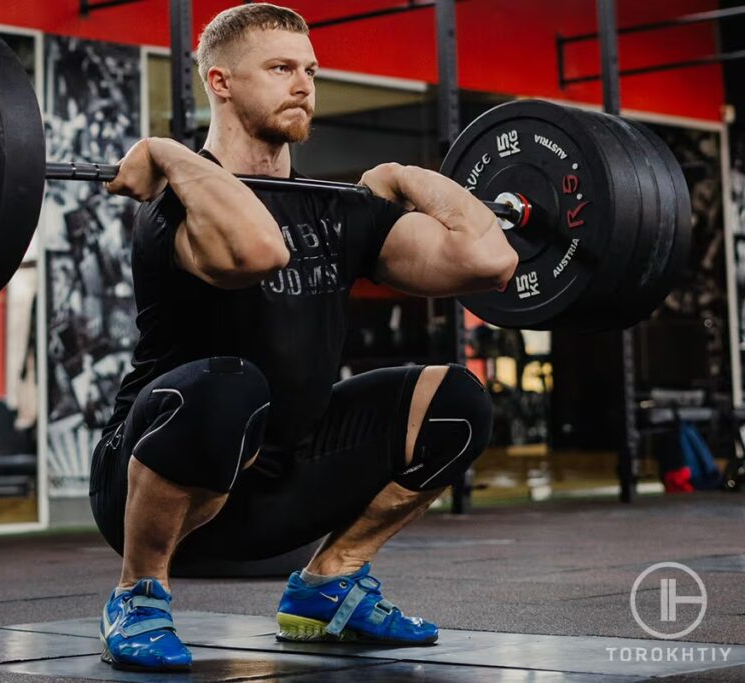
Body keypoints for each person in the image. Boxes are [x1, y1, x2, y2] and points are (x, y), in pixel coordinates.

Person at [93, 2, 518, 672]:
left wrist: (404, 178)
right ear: (221, 82)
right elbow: (260, 247)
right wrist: (169, 151)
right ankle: (138, 591)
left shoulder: (335, 209)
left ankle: (329, 586)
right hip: (155, 486)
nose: (304, 85)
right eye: (281, 67)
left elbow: (489, 260)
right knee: (229, 383)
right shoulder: (174, 201)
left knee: (457, 399)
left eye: (311, 70)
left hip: (278, 488)